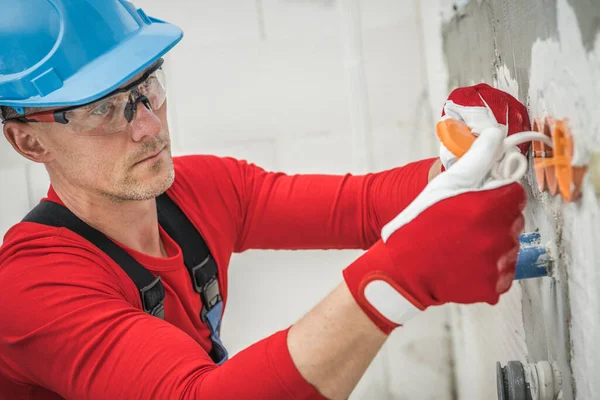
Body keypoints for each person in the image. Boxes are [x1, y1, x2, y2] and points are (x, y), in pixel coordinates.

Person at [0, 1, 531, 399]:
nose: (147, 126)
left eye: (147, 88)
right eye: (104, 109)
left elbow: (364, 207)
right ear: (29, 140)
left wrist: (467, 158)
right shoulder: (30, 287)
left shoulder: (196, 191)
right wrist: (395, 284)